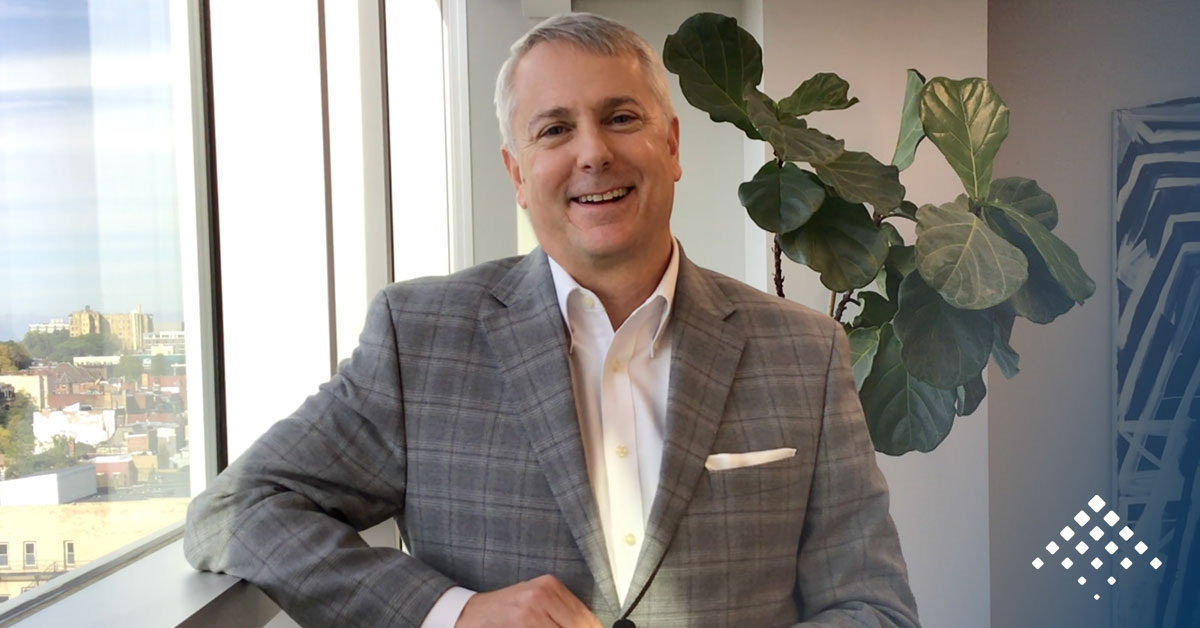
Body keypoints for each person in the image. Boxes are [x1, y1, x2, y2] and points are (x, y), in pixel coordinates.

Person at [184, 12, 921, 628]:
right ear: (516, 173)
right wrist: (453, 614)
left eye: (620, 118)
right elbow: (234, 508)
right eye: (555, 130)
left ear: (671, 146)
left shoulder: (804, 352)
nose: (593, 153)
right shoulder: (420, 340)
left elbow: (874, 608)